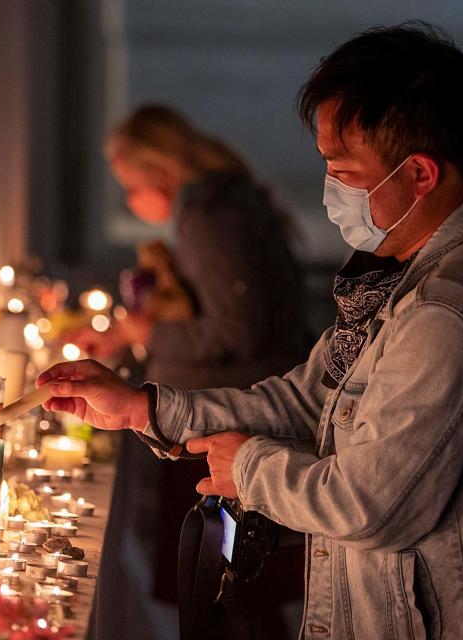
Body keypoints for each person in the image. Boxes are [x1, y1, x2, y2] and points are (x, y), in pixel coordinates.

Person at [42, 22, 463, 640]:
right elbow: (305, 399)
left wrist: (249, 469)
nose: (330, 191)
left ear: (421, 174)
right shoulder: (401, 276)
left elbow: (373, 505)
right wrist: (143, 409)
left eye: (343, 171)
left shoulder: (449, 312)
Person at [78, 105, 309, 639]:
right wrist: (125, 334)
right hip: (231, 410)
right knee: (236, 593)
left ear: (160, 170)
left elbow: (234, 331)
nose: (132, 201)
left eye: (132, 186)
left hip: (228, 417)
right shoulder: (226, 203)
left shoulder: (212, 217)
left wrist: (146, 336)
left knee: (232, 591)